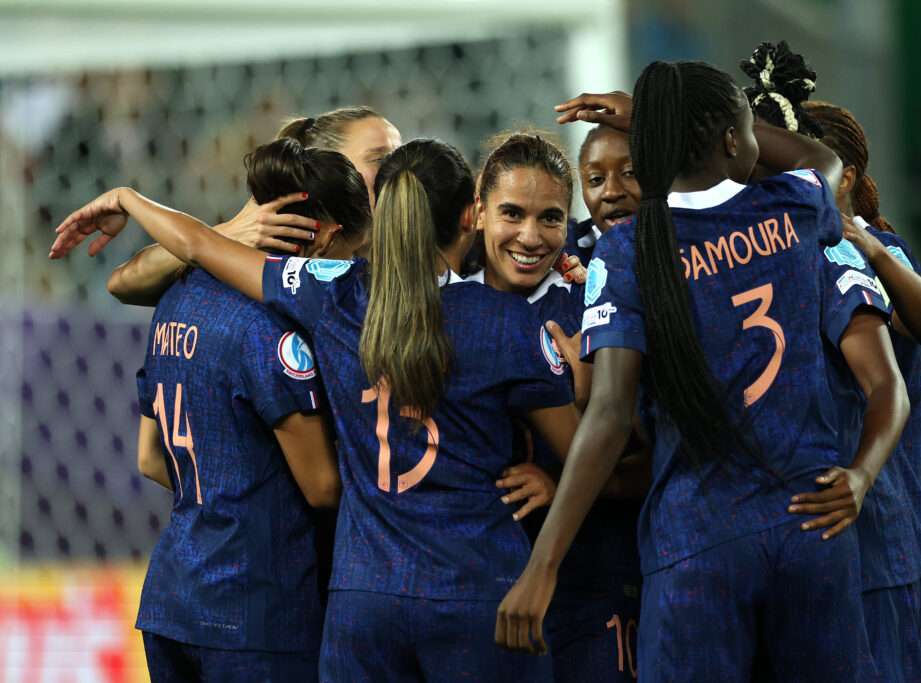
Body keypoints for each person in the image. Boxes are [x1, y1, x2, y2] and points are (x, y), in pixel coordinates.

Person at [51, 137, 585, 682]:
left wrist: (128, 199)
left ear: (386, 211)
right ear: (472, 215)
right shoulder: (510, 321)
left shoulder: (333, 293)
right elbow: (591, 459)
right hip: (462, 589)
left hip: (351, 596)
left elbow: (193, 249)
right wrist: (560, 458)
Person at [497, 61, 877, 681]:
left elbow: (612, 415)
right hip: (810, 527)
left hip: (696, 540)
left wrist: (543, 563)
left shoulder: (626, 248)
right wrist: (667, 115)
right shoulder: (793, 204)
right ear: (732, 138)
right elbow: (818, 158)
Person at [129, 137, 362, 681]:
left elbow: (149, 458)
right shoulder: (273, 327)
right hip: (256, 612)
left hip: (171, 598)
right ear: (324, 238)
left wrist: (223, 494)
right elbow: (323, 488)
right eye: (357, 251)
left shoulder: (177, 297)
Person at [742, 42, 921, 681]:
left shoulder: (847, 252)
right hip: (816, 539)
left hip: (879, 540)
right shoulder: (753, 252)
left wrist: (869, 247)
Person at [469, 130, 647, 681]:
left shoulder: (596, 311)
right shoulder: (436, 306)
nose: (530, 236)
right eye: (512, 214)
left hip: (587, 590)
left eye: (549, 218)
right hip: (460, 595)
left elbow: (657, 464)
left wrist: (561, 484)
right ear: (477, 212)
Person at [804, 100, 921, 680]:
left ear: (849, 180)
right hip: (877, 543)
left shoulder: (868, 251)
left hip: (892, 548)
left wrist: (868, 249)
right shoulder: (789, 252)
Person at [106, 106, 402, 306]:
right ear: (327, 162)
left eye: (400, 156)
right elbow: (123, 283)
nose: (399, 170)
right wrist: (228, 235)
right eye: (379, 159)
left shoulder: (409, 243)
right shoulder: (278, 244)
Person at [563, 124, 640, 266]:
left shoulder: (689, 236)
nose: (612, 192)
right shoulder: (564, 251)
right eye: (596, 179)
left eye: (630, 172)